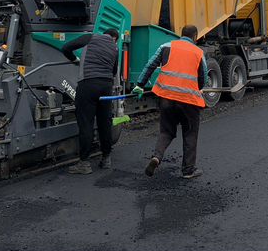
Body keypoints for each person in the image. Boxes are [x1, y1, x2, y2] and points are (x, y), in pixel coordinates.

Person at [134, 25, 207, 179]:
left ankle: (157, 157)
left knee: (166, 131)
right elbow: (203, 78)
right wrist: (198, 87)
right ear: (195, 37)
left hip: (166, 97)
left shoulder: (166, 46)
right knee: (190, 133)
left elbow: (150, 64)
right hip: (188, 101)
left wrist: (140, 85)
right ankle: (188, 170)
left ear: (181, 35)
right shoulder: (198, 52)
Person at [62, 29, 120, 174]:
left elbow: (66, 48)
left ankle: (84, 163)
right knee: (104, 122)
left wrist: (74, 59)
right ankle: (106, 158)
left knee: (86, 123)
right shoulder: (115, 47)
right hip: (106, 86)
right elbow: (113, 71)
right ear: (115, 38)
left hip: (88, 83)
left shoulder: (90, 37)